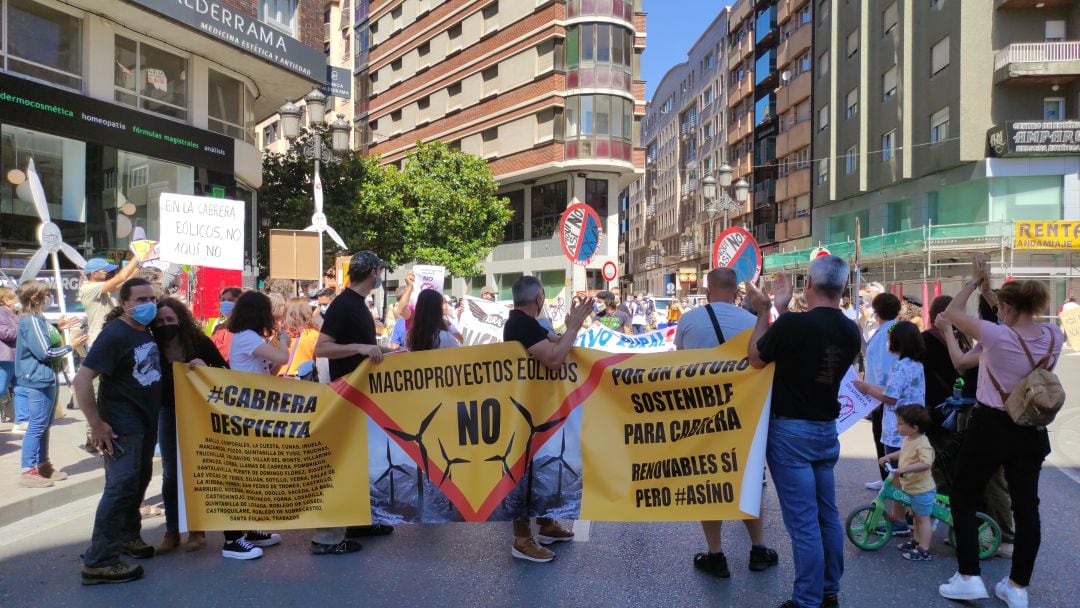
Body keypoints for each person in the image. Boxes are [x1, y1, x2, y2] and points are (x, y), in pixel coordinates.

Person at [937, 255, 1063, 607]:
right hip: (1032, 429)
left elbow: (952, 314)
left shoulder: (995, 336)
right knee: (1027, 508)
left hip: (991, 425)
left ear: (1006, 307)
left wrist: (973, 283)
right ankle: (1018, 588)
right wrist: (993, 293)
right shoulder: (1054, 335)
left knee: (963, 495)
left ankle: (969, 577)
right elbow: (1012, 317)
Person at [746, 256, 861, 608]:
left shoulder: (792, 325)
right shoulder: (851, 330)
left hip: (791, 432)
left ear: (808, 285)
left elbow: (755, 357)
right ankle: (828, 590)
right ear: (842, 288)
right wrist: (780, 311)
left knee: (803, 524)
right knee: (826, 515)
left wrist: (768, 312)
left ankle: (807, 599)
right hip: (826, 430)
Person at [675, 268, 779, 578]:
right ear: (737, 292)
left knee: (709, 483)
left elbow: (678, 367)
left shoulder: (688, 321)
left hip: (702, 418)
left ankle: (716, 555)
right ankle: (759, 550)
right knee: (749, 481)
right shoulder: (753, 322)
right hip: (744, 418)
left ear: (707, 291)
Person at [75, 278, 162, 584]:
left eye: (152, 297)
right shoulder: (116, 333)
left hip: (144, 422)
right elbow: (82, 380)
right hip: (121, 424)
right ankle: (100, 560)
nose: (148, 303)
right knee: (121, 487)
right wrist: (96, 424)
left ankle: (127, 536)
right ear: (124, 303)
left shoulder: (144, 329)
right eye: (140, 299)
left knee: (138, 480)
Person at [311, 251, 397, 554]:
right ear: (373, 272)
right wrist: (361, 347)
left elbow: (364, 349)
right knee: (342, 463)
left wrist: (391, 353)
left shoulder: (355, 304)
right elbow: (322, 348)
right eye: (381, 271)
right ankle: (327, 537)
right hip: (345, 395)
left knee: (360, 461)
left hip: (358, 396)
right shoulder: (344, 304)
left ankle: (358, 520)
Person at [503, 276, 592, 562]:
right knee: (524, 472)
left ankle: (545, 524)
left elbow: (557, 343)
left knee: (540, 466)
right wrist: (574, 327)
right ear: (539, 298)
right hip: (524, 409)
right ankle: (522, 539)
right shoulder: (521, 324)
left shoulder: (525, 323)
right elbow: (554, 358)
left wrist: (569, 329)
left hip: (536, 407)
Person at [150, 298, 227, 554]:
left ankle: (196, 529)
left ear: (180, 319)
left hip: (198, 412)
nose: (165, 325)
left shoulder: (199, 342)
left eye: (170, 320)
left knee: (197, 471)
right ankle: (172, 530)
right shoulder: (151, 346)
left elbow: (224, 372)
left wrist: (206, 368)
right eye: (159, 321)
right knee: (171, 473)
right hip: (168, 411)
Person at [220, 290, 290, 559]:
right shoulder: (247, 338)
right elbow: (283, 359)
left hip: (256, 412)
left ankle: (247, 529)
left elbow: (271, 369)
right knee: (242, 475)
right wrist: (283, 341)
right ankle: (232, 539)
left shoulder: (252, 339)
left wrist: (279, 345)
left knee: (252, 473)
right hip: (245, 413)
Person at [14, 280, 80, 487]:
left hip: (45, 377)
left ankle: (42, 464)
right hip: (38, 379)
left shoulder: (37, 319)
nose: (48, 295)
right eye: (46, 293)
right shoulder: (31, 320)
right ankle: (28, 470)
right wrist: (71, 347)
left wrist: (58, 329)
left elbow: (44, 342)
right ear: (35, 298)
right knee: (37, 425)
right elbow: (45, 352)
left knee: (44, 424)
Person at [880, 405, 937, 562]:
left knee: (923, 519)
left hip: (922, 489)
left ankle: (924, 550)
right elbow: (904, 452)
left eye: (900, 423)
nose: (897, 425)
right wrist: (890, 456)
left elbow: (926, 463)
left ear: (914, 427)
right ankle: (916, 541)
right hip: (911, 488)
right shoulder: (910, 438)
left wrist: (902, 469)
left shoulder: (922, 442)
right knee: (915, 518)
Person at [862, 293, 901, 492]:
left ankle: (888, 480)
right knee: (884, 438)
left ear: (876, 312)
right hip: (883, 395)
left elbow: (883, 370)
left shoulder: (887, 333)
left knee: (883, 439)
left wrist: (875, 395)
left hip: (882, 396)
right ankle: (886, 478)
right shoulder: (893, 329)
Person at [78, 256, 139, 348]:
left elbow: (128, 279)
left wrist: (141, 263)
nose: (108, 273)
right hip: (99, 342)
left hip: (112, 340)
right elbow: (121, 277)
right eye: (105, 271)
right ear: (94, 274)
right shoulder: (88, 288)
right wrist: (138, 256)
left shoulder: (104, 287)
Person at [278, 298, 319, 378]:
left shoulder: (279, 333)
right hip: (302, 379)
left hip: (278, 379)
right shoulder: (314, 334)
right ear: (307, 312)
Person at [207, 287, 242, 364]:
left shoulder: (244, 328)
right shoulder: (218, 327)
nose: (226, 303)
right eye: (223, 300)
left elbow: (227, 354)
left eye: (230, 300)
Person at [1, 287, 19, 432]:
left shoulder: (11, 313)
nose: (16, 300)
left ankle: (21, 420)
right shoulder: (1, 313)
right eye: (14, 297)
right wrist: (24, 327)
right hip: (5, 358)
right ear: (5, 300)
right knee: (1, 389)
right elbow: (6, 334)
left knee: (20, 389)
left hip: (14, 357)